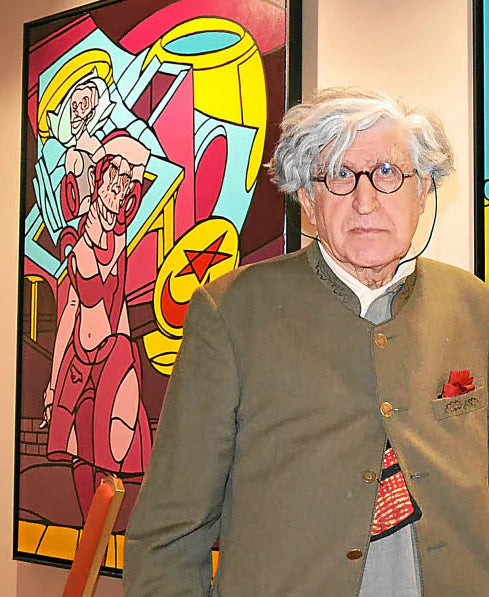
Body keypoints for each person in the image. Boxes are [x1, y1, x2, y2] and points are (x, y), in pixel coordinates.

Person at [123, 88, 489, 596]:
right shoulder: (232, 313)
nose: (366, 201)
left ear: (422, 190)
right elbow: (169, 535)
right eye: (338, 175)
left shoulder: (474, 305)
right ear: (307, 200)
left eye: (388, 172)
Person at [42, 131, 152, 521]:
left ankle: (103, 530)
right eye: (114, 174)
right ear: (99, 175)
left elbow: (118, 305)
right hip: (78, 359)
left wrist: (127, 360)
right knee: (80, 451)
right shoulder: (75, 244)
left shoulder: (119, 243)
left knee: (114, 448)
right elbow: (69, 314)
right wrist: (53, 384)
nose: (119, 187)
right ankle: (92, 538)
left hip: (113, 356)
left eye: (128, 181)